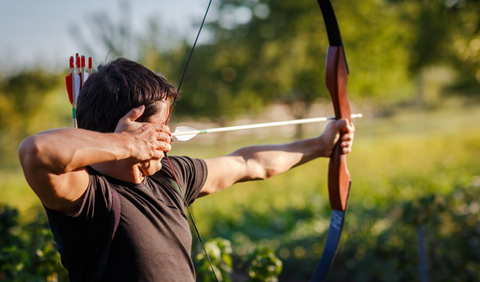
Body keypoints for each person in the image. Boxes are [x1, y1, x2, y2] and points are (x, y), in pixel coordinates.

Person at [18, 58, 355, 282]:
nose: (168, 137)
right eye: (160, 127)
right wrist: (127, 146)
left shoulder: (170, 175)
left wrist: (322, 147)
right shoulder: (89, 196)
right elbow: (35, 151)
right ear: (131, 128)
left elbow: (250, 163)